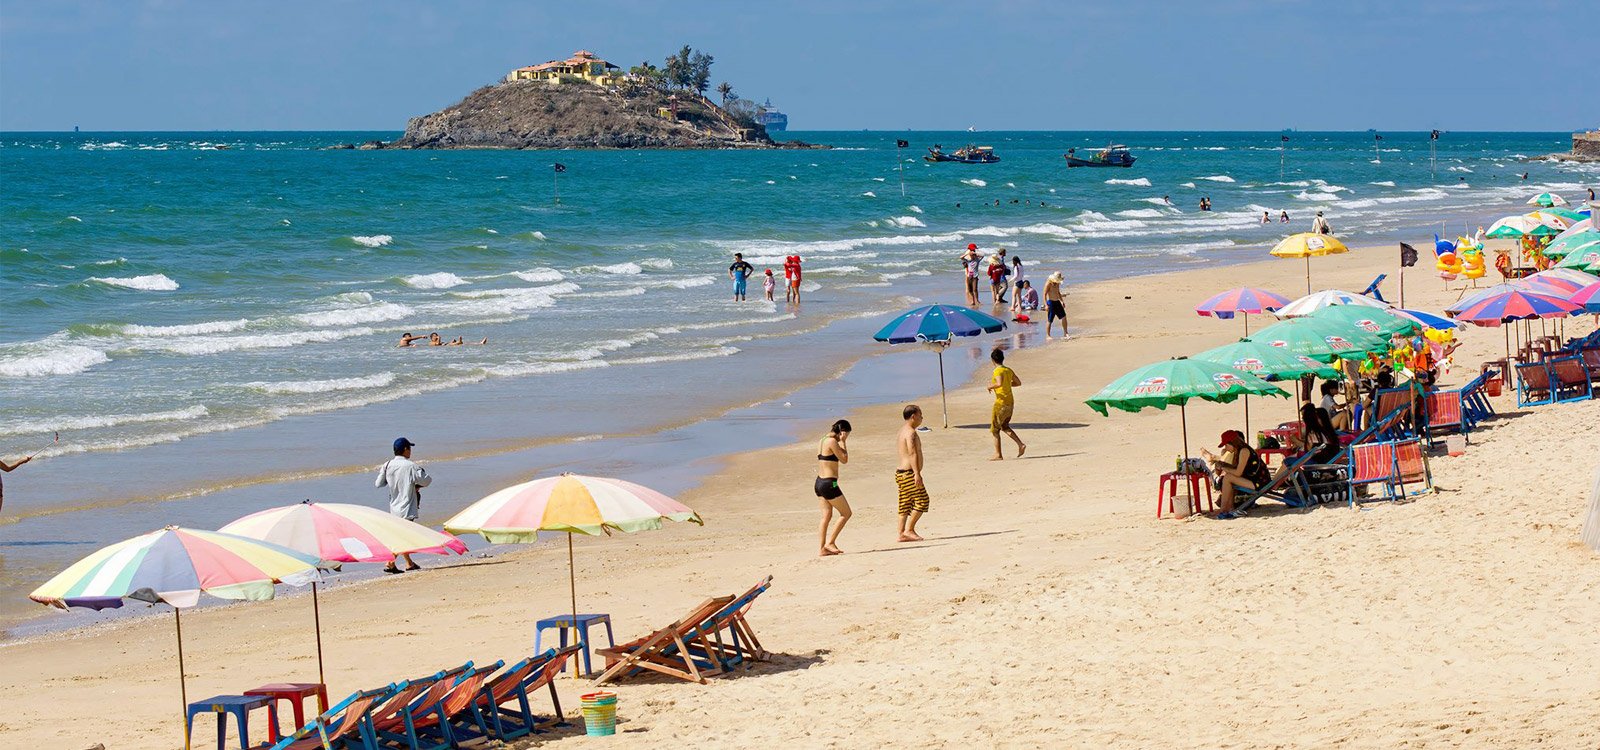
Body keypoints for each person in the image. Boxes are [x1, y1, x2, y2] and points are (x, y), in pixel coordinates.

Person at [375, 437, 432, 573]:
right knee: (403, 537)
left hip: (394, 507)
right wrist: (415, 485)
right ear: (405, 449)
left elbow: (378, 484)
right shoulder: (411, 466)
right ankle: (390, 562)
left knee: (401, 535)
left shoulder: (387, 465)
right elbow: (427, 481)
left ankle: (409, 563)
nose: (410, 451)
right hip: (407, 507)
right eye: (409, 448)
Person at [1202, 430, 1270, 519]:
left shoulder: (1244, 451)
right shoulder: (1239, 450)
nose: (1226, 448)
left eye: (1226, 445)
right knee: (1228, 478)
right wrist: (1224, 465)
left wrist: (1223, 467)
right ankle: (1229, 508)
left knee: (1228, 478)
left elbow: (1238, 472)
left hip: (1260, 483)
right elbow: (1237, 468)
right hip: (1253, 479)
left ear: (1232, 443)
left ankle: (1223, 509)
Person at [815, 419, 852, 556]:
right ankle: (830, 543)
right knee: (846, 513)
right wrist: (843, 442)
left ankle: (822, 548)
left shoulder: (823, 440)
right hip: (830, 484)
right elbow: (844, 459)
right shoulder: (832, 442)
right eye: (847, 434)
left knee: (826, 516)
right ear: (842, 432)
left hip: (819, 482)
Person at [895, 404, 929, 542]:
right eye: (920, 415)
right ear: (913, 416)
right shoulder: (911, 433)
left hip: (900, 473)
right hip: (909, 473)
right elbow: (912, 453)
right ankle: (909, 530)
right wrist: (917, 473)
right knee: (922, 500)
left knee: (905, 502)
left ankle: (901, 533)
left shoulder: (902, 431)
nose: (922, 418)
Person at [987, 348, 1025, 460]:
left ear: (992, 360)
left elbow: (998, 383)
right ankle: (1020, 444)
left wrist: (990, 386)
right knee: (1004, 426)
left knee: (995, 430)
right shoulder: (1008, 370)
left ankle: (998, 454)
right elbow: (1018, 383)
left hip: (1001, 403)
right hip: (1010, 402)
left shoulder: (997, 371)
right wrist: (1007, 384)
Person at [1043, 271, 1068, 339]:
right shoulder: (1048, 283)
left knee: (1064, 317)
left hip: (1057, 301)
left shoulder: (1057, 283)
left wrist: (1062, 301)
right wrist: (1046, 305)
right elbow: (1044, 294)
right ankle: (1048, 335)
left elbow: (1058, 292)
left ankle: (1065, 333)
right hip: (1051, 302)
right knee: (1050, 320)